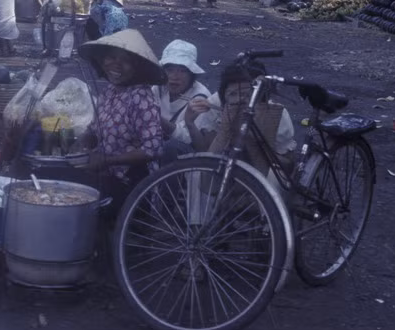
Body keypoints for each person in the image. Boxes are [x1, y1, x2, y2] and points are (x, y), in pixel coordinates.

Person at [76, 29, 166, 220]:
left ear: (137, 67)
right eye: (111, 58)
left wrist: (108, 160)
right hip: (107, 178)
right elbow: (94, 129)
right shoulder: (109, 92)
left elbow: (153, 149)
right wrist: (82, 143)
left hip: (133, 185)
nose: (116, 65)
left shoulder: (141, 97)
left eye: (125, 60)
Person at [185, 61, 297, 185]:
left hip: (261, 169)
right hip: (226, 163)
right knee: (197, 174)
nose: (240, 100)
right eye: (233, 94)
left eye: (247, 94)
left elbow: (289, 164)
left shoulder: (276, 115)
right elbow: (206, 151)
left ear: (260, 95)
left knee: (271, 178)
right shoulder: (216, 103)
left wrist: (256, 143)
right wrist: (190, 123)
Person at [153, 40, 212, 165]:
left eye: (182, 70)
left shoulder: (200, 97)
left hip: (186, 158)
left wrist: (157, 118)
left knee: (170, 147)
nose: (175, 76)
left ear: (192, 74)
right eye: (169, 69)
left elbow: (188, 140)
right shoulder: (158, 88)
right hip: (156, 147)